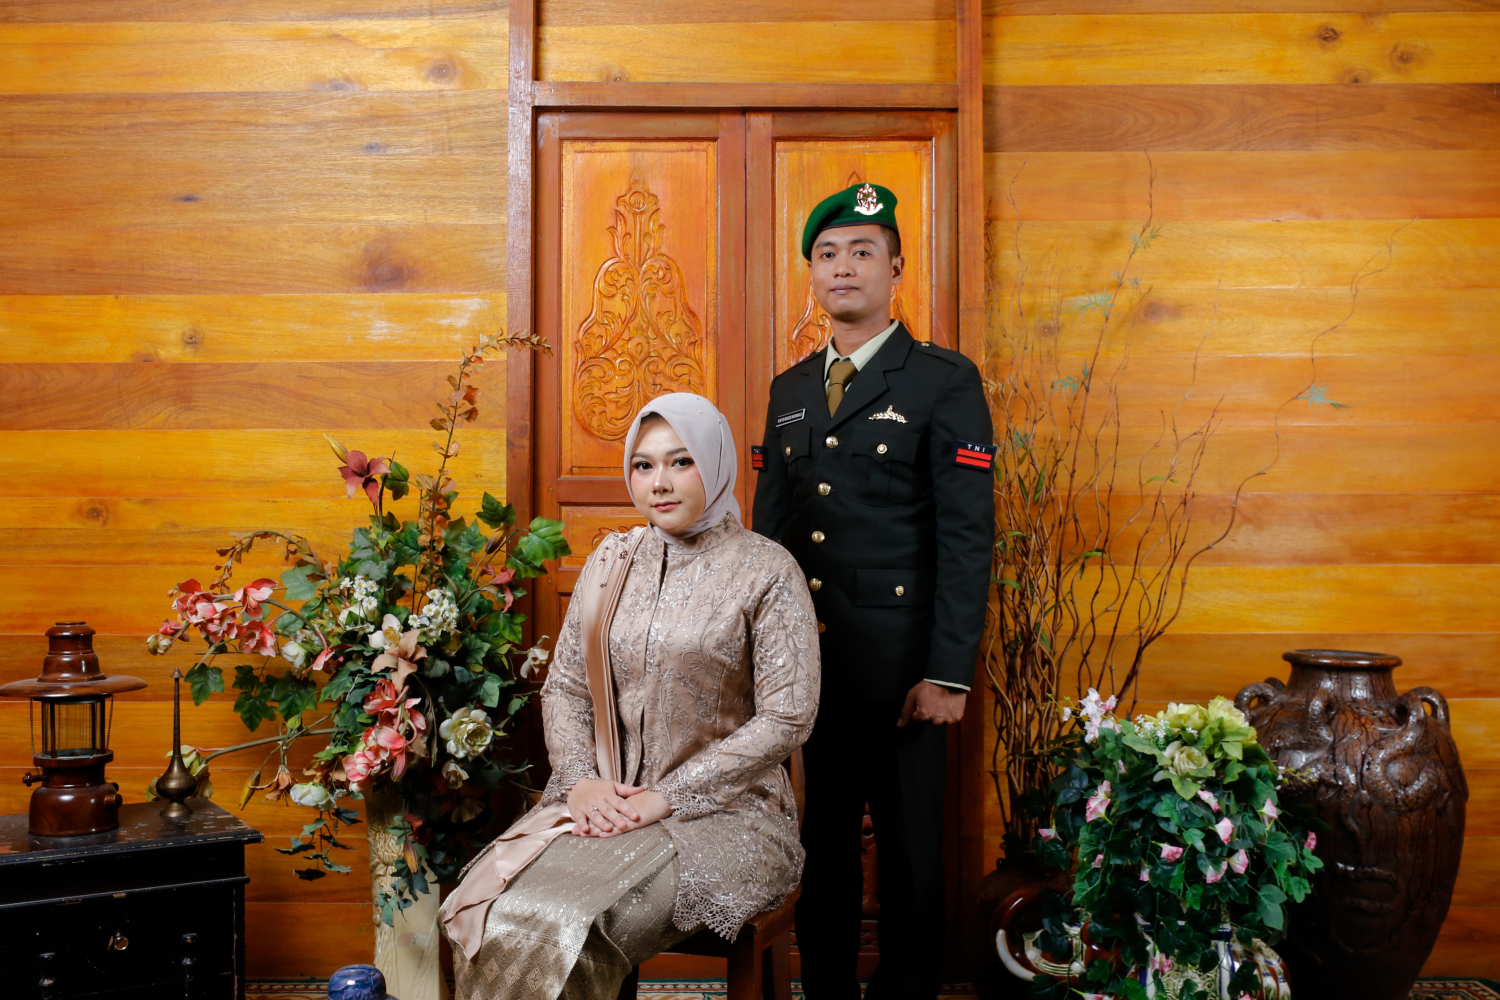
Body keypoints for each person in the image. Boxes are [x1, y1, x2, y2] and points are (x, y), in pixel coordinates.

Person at [440, 392, 820, 1000]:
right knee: (498, 909)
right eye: (643, 465)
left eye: (681, 461)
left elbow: (788, 715)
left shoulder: (766, 570)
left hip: (729, 818)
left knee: (573, 926)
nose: (659, 483)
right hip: (604, 803)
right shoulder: (612, 560)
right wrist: (580, 780)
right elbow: (566, 686)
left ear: (716, 462)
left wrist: (668, 797)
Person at [751, 183, 994, 1000]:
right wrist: (761, 663)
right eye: (827, 254)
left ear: (895, 269)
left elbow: (966, 536)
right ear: (812, 275)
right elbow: (771, 543)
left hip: (906, 676)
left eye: (862, 251)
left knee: (912, 855)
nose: (843, 267)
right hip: (812, 670)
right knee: (819, 847)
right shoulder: (790, 391)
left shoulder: (941, 382)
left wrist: (948, 672)